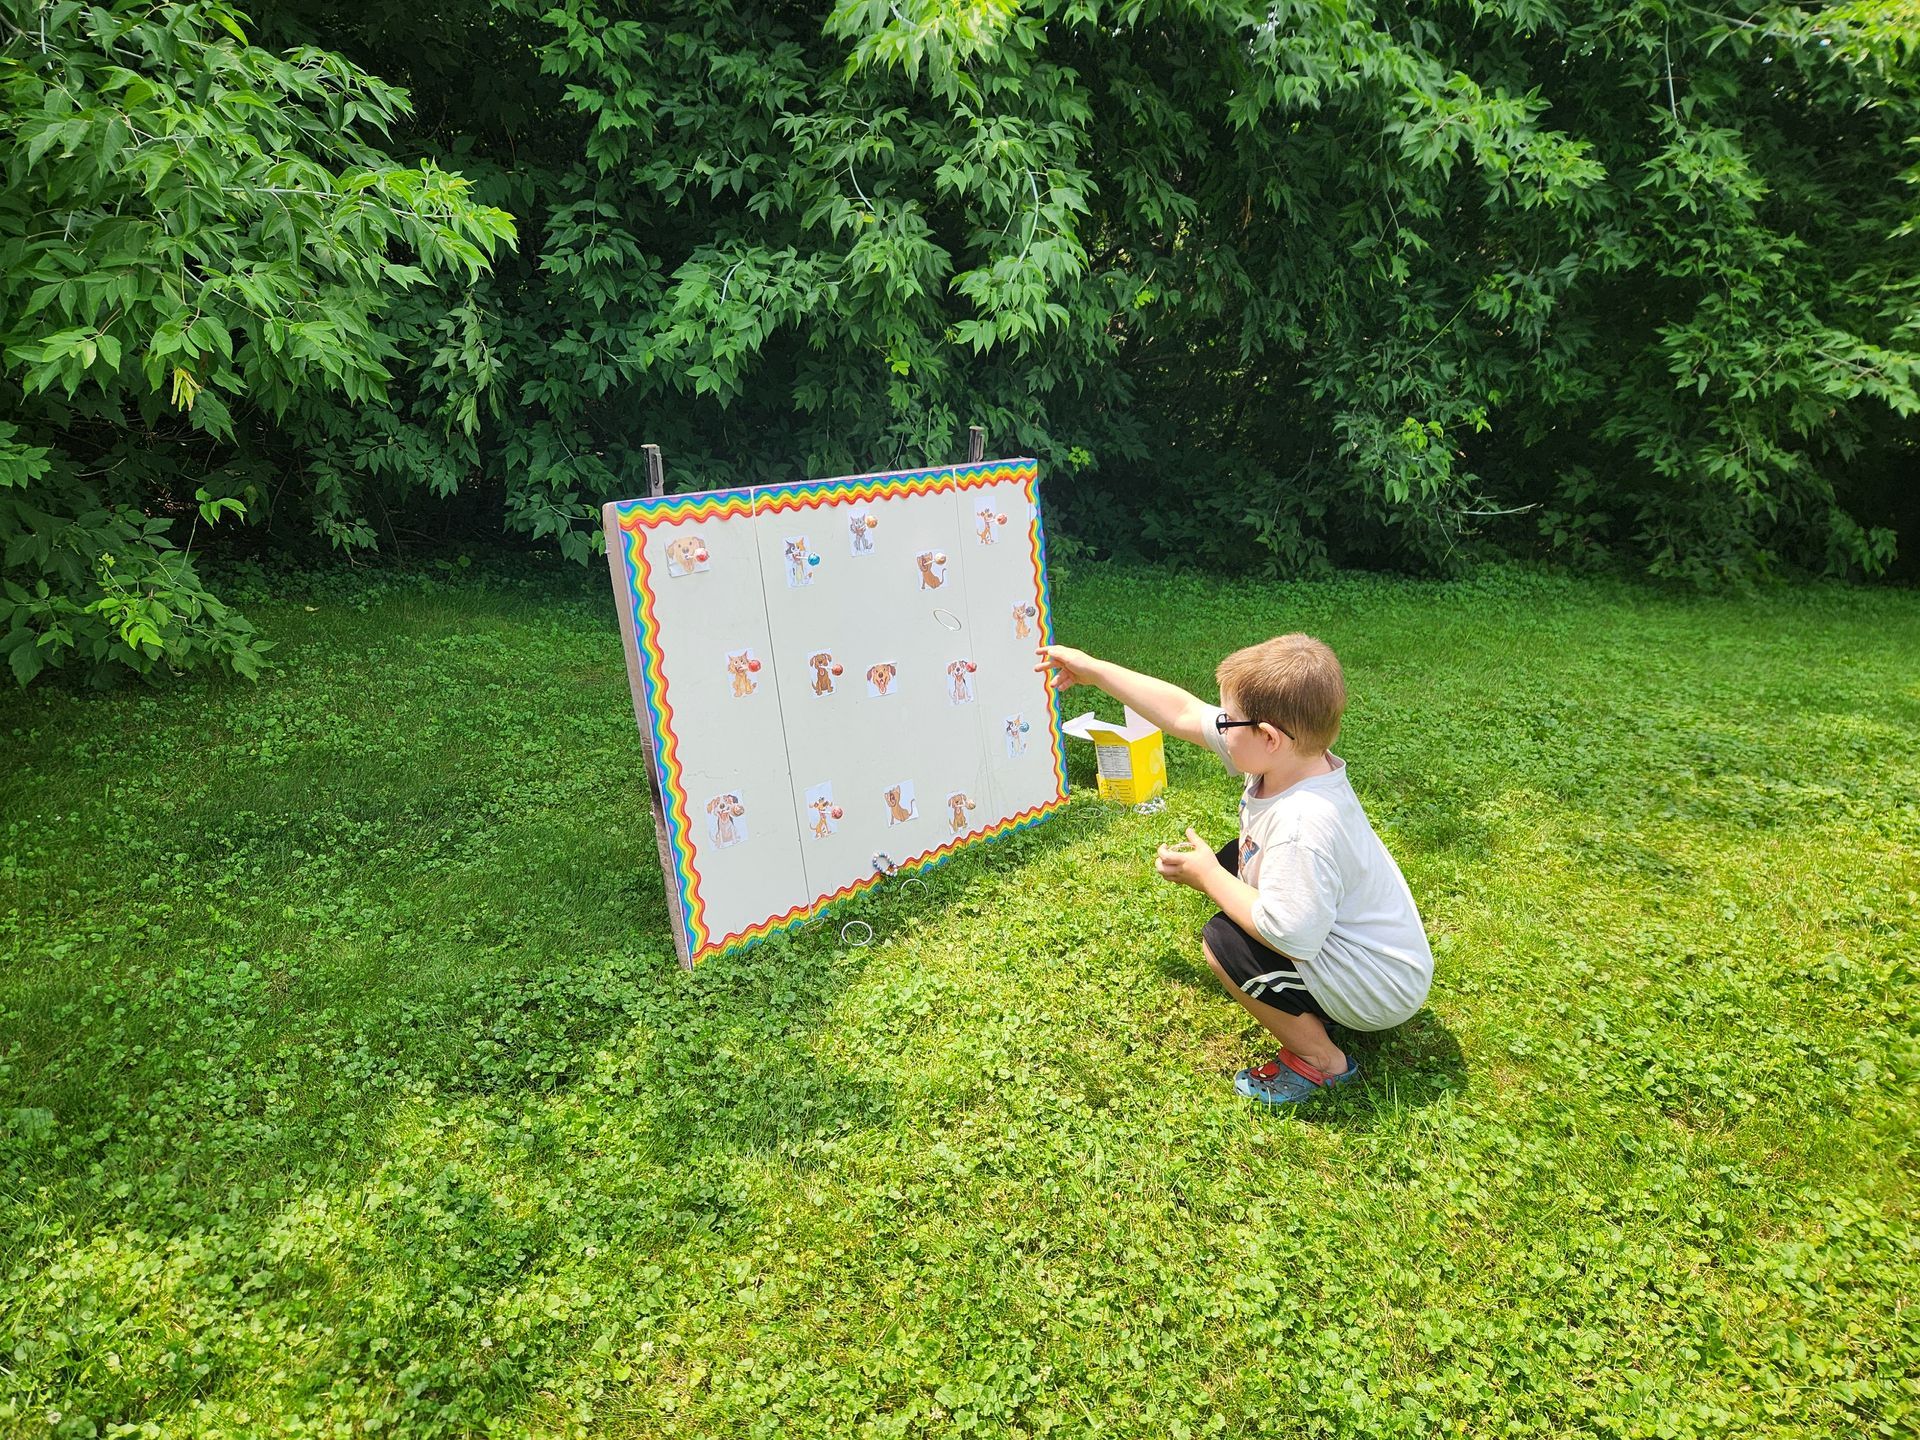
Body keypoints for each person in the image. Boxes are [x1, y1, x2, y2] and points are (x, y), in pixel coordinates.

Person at [1035, 636, 1433, 1106]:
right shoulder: (1290, 762)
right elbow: (1182, 711)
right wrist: (1094, 669)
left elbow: (1292, 936)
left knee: (1226, 943)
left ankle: (1324, 1061)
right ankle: (1314, 1004)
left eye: (1229, 721)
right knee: (1235, 859)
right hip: (1370, 958)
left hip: (1376, 988)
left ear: (1268, 736)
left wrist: (1208, 876)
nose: (1220, 726)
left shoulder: (1301, 825)